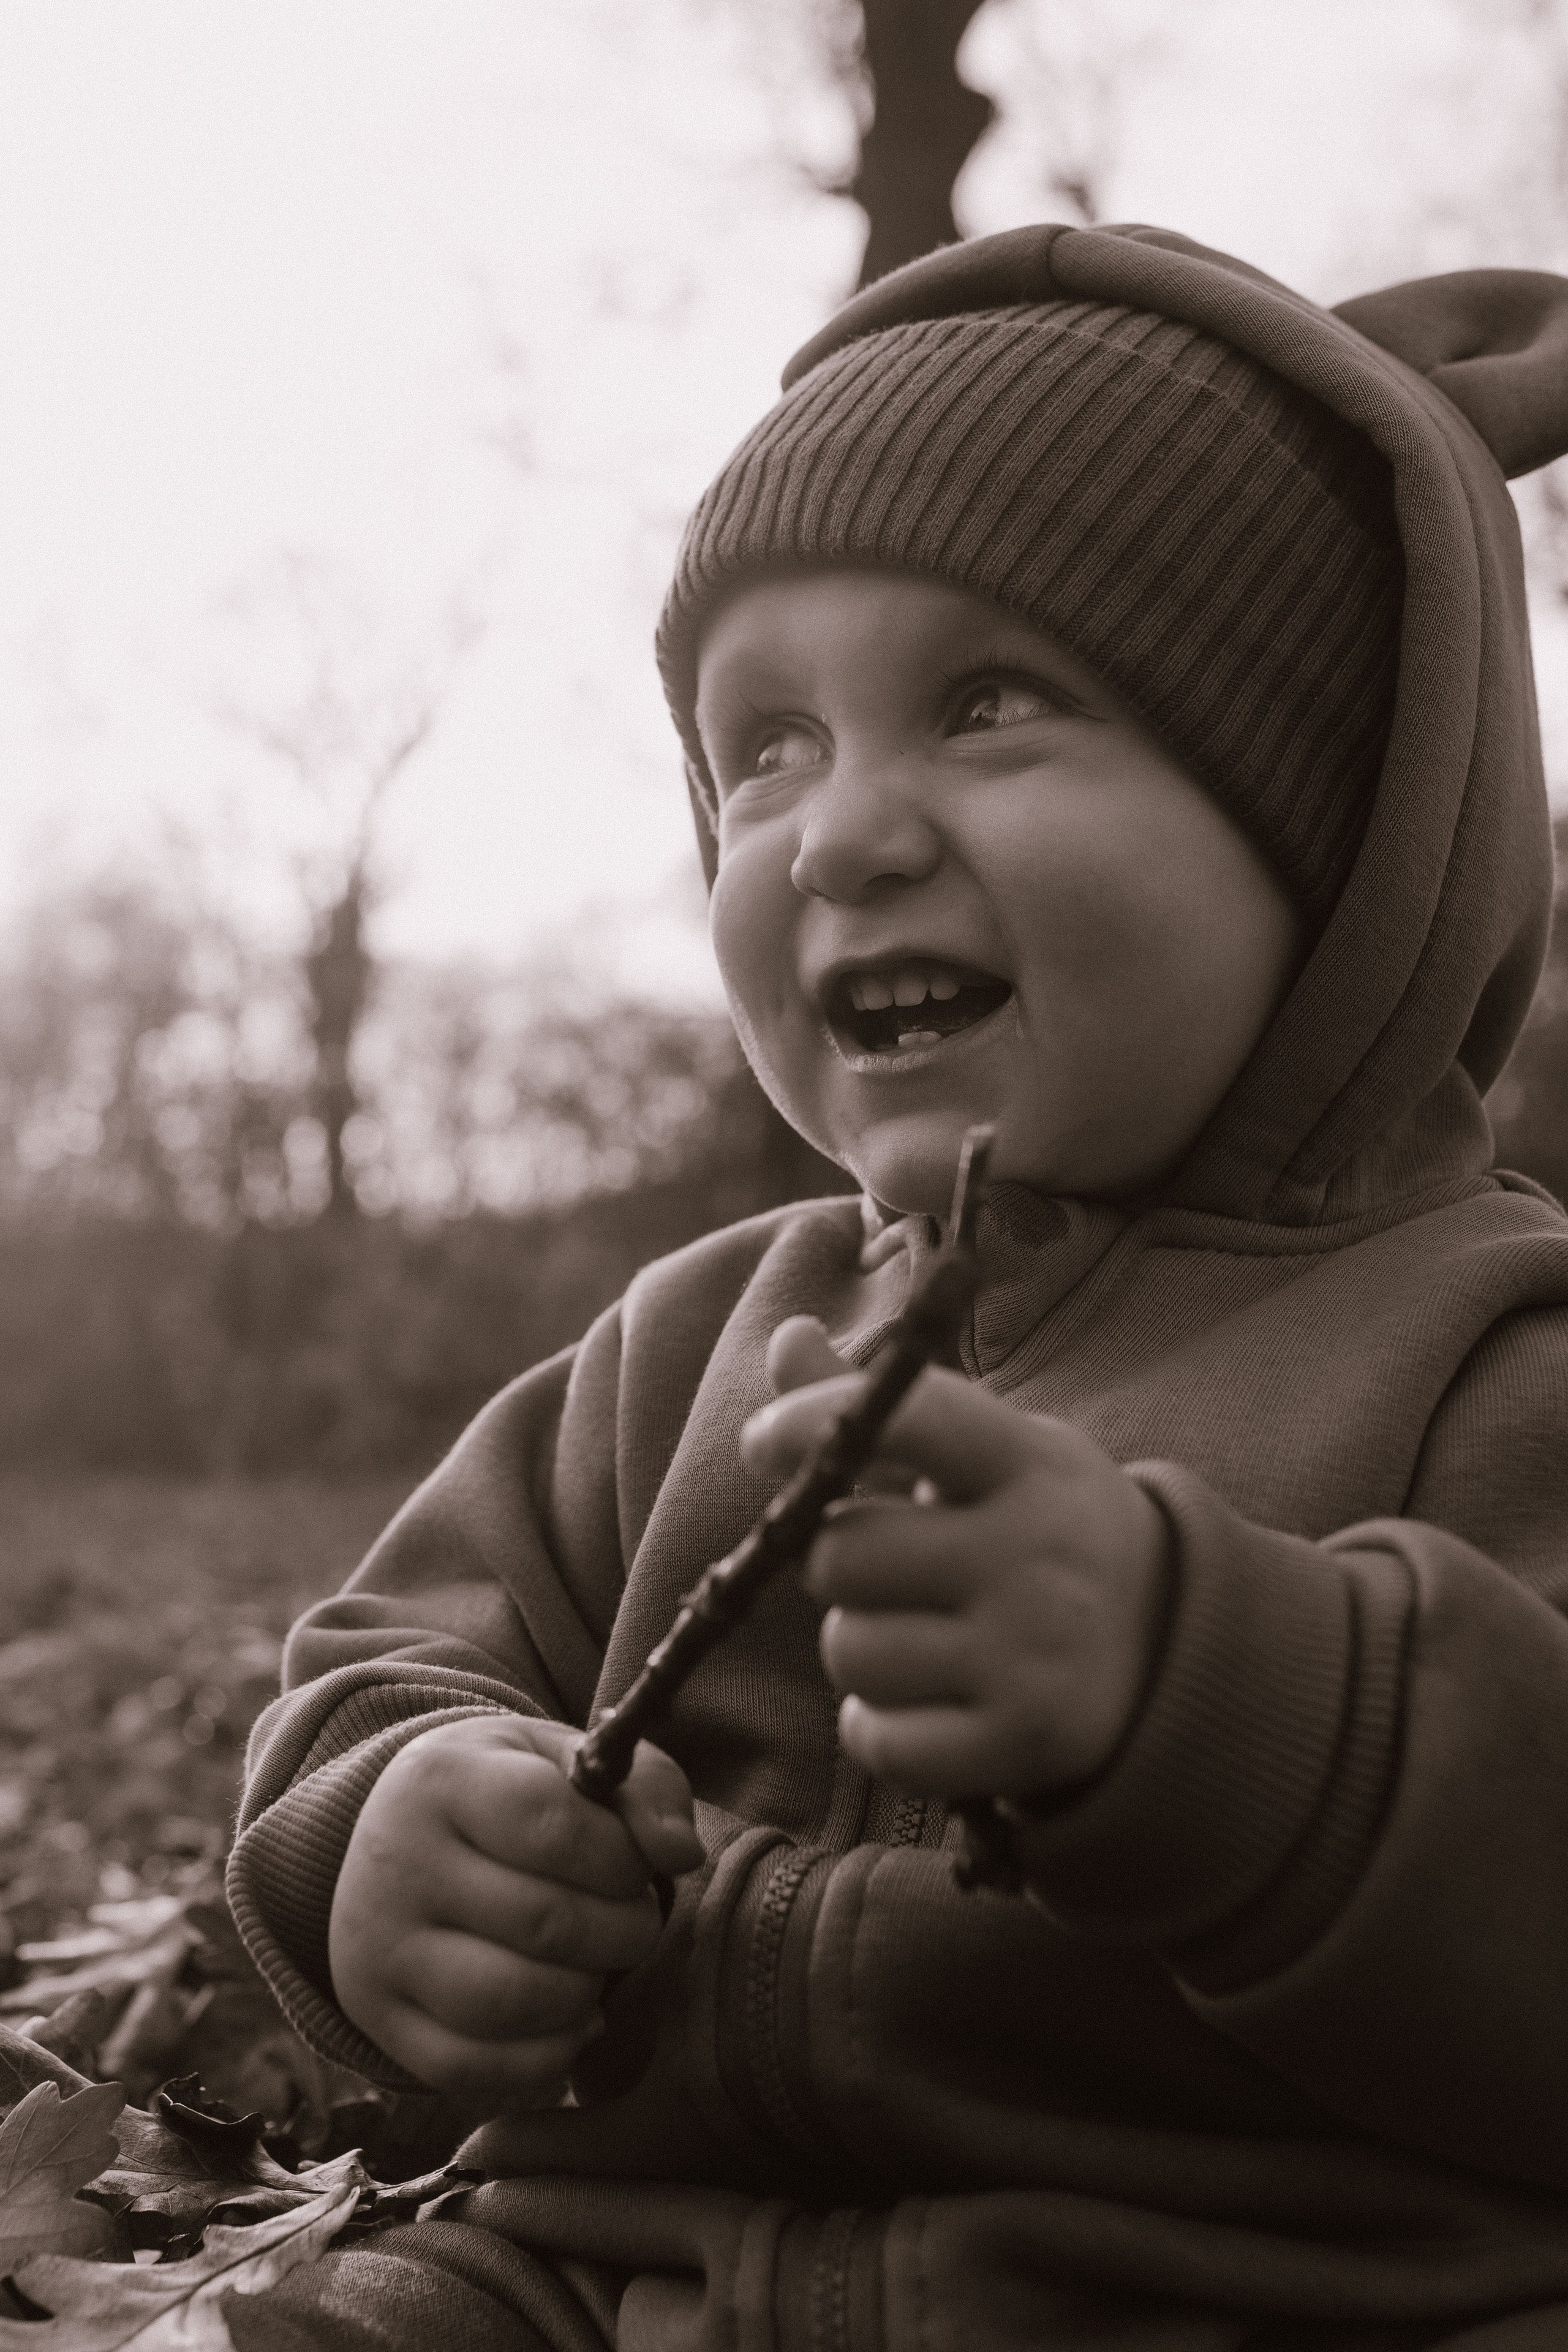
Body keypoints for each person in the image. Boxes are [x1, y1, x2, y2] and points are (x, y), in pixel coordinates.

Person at [227, 224, 1568, 2352]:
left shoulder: (1495, 1353)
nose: (837, 836)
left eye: (989, 703)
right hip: (605, 2288)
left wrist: (1210, 1700)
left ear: (1339, 835)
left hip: (1273, 2293)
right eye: (760, 745)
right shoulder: (685, 1349)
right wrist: (394, 1828)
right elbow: (392, 1654)